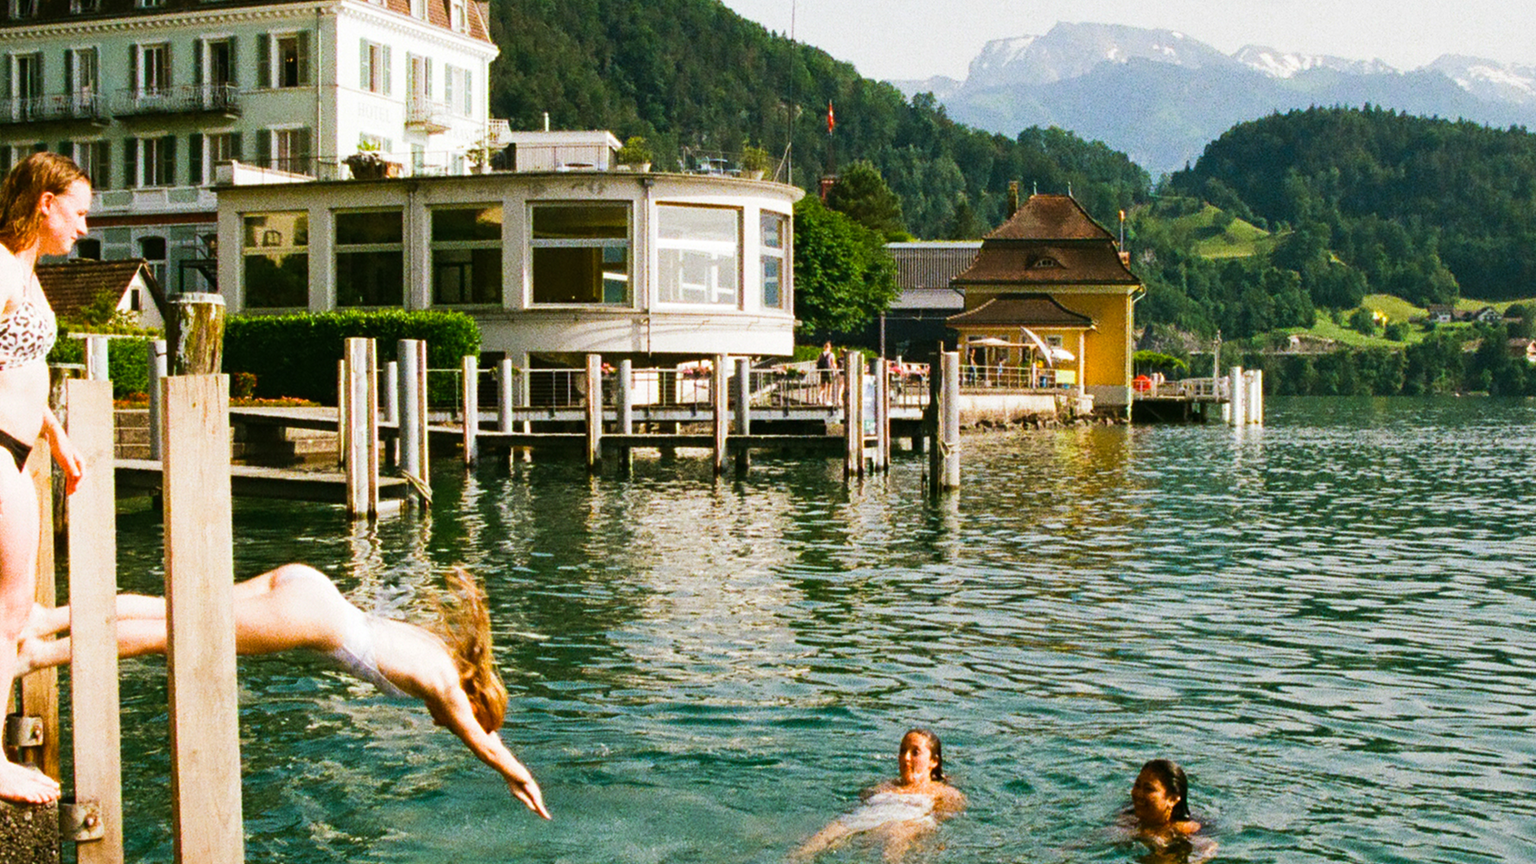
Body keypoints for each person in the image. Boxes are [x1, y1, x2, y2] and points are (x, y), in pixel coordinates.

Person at [17, 563, 551, 819]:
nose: (445, 723)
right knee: (171, 633)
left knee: (171, 605)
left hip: (310, 586)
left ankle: (47, 621)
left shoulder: (437, 650)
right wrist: (520, 777)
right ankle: (39, 653)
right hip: (311, 615)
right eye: (468, 717)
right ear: (475, 704)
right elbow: (483, 744)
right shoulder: (446, 687)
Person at [0, 152, 89, 804]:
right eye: (78, 212)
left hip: (16, 449)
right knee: (9, 615)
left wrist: (53, 434)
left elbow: (16, 367)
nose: (84, 228)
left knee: (12, 611)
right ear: (44, 204)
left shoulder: (25, 276)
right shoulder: (1, 267)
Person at [794, 728, 965, 862]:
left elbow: (943, 818)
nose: (906, 758)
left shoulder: (944, 792)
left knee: (895, 837)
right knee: (821, 838)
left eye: (915, 752)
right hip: (864, 818)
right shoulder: (884, 786)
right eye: (903, 750)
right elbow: (859, 805)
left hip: (906, 823)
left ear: (933, 761)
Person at [1124, 758, 1215, 862]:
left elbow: (1209, 847)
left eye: (1149, 789)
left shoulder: (1184, 828)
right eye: (1137, 785)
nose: (1138, 794)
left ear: (1172, 799)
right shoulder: (1127, 819)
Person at [816, 341, 839, 405]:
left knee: (823, 385)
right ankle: (828, 400)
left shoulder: (821, 354)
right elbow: (833, 363)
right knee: (829, 386)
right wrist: (836, 369)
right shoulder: (831, 354)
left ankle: (819, 396)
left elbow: (817, 362)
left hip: (823, 371)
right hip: (829, 371)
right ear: (830, 347)